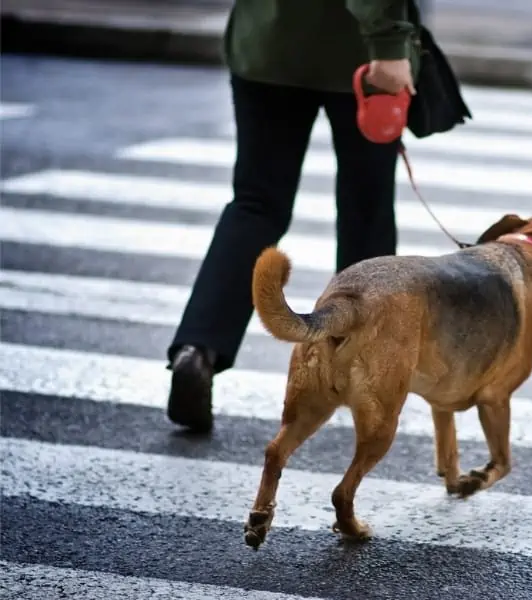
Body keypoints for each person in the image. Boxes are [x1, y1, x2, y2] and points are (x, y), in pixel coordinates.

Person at [165, 0, 421, 433]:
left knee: (255, 204)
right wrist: (390, 41)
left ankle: (198, 348)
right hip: (360, 54)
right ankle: (363, 369)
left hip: (266, 45)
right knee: (366, 208)